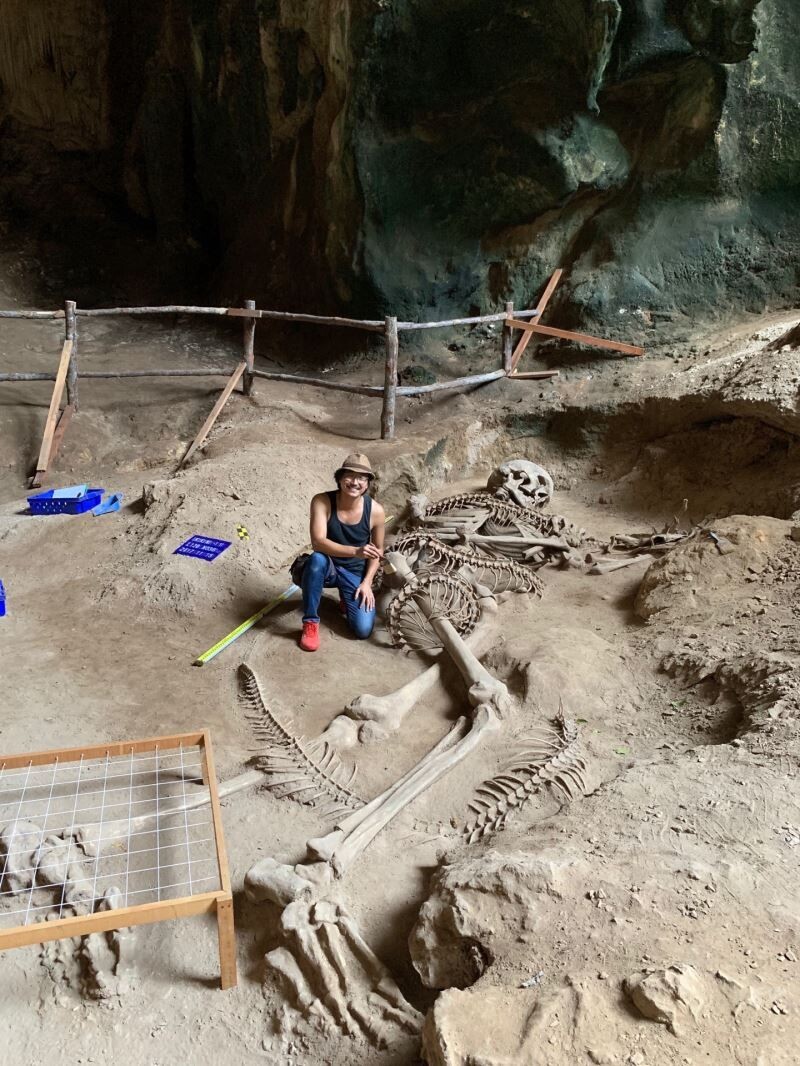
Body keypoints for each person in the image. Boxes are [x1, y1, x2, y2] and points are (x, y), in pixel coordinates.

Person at [298, 452, 385, 652]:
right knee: (316, 560)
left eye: (361, 478)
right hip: (327, 566)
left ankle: (347, 596)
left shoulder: (376, 511)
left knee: (363, 630)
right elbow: (318, 543)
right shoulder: (322, 501)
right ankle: (310, 622)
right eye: (349, 476)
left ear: (367, 483)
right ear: (339, 478)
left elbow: (378, 550)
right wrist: (356, 551)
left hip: (354, 571)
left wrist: (367, 582)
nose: (355, 482)